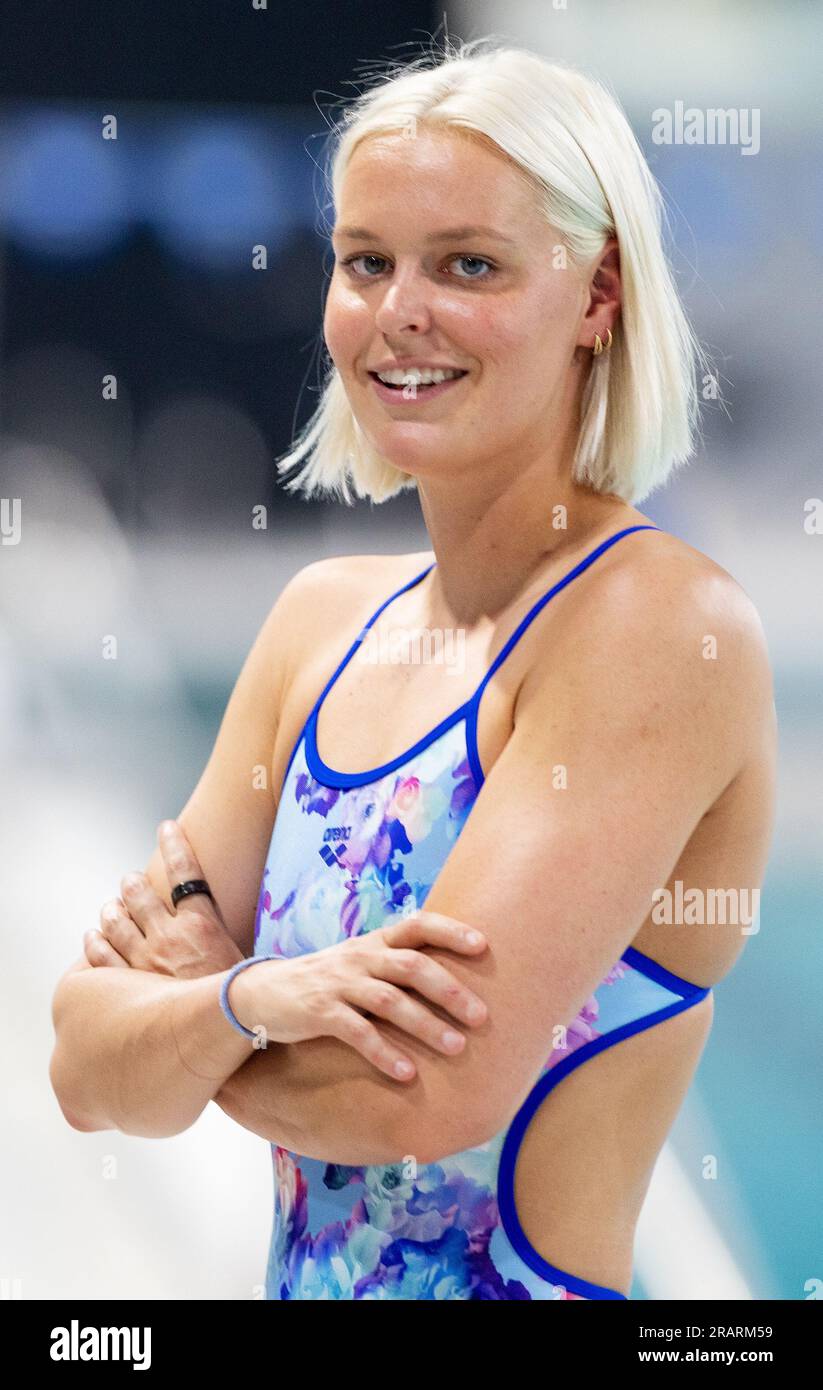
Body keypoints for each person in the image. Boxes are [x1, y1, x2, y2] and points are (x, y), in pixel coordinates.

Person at [50, 38, 776, 1300]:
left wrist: (202, 1000)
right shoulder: (316, 623)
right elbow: (80, 1069)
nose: (399, 313)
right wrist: (269, 1000)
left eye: (468, 266)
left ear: (598, 296)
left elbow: (418, 1096)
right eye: (366, 261)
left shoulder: (656, 627)